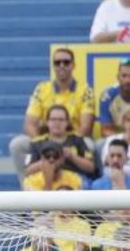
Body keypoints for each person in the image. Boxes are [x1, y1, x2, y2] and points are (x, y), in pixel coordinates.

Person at [8, 48, 95, 180]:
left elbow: (86, 127)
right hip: (45, 139)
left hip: (73, 141)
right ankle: (27, 187)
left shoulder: (85, 90)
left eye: (66, 62)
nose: (62, 66)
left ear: (73, 65)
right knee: (17, 144)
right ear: (53, 65)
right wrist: (44, 145)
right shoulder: (41, 89)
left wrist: (66, 144)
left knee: (89, 143)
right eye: (57, 62)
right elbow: (29, 124)